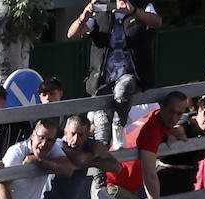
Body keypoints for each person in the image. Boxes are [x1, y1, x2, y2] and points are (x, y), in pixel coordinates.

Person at [68, 0, 163, 147]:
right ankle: (98, 168)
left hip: (132, 78)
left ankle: (118, 127)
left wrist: (133, 12)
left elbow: (157, 22)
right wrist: (84, 17)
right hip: (102, 82)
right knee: (102, 133)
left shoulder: (141, 6)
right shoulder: (102, 9)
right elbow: (72, 34)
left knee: (123, 88)